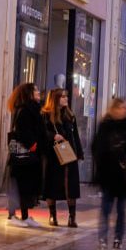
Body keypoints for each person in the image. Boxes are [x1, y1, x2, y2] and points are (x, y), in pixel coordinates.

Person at [93, 97, 126, 250]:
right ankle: (102, 238)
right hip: (108, 174)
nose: (124, 110)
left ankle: (118, 238)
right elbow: (96, 148)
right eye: (121, 107)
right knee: (106, 208)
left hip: (123, 176)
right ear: (114, 109)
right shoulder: (105, 126)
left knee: (121, 209)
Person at [41, 88, 83, 228]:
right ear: (55, 99)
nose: (66, 99)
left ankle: (72, 217)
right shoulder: (46, 115)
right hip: (53, 155)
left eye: (67, 96)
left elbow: (75, 135)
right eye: (63, 97)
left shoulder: (70, 115)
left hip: (68, 153)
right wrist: (53, 136)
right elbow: (42, 132)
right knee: (52, 184)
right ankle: (52, 215)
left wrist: (79, 153)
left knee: (70, 186)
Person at [6, 82, 44, 227]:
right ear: (29, 93)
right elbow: (23, 131)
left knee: (26, 185)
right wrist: (33, 145)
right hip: (24, 157)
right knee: (21, 185)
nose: (39, 92)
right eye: (35, 90)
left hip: (28, 157)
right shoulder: (25, 110)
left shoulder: (31, 109)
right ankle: (14, 216)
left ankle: (25, 216)